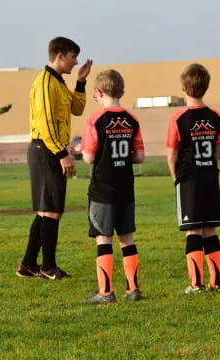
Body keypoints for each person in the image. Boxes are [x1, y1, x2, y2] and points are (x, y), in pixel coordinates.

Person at [16, 37, 92, 279]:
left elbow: (77, 109)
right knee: (51, 210)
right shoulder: (45, 83)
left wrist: (80, 82)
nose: (75, 61)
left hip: (49, 148)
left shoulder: (58, 82)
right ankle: (48, 267)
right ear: (59, 55)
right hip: (45, 149)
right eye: (72, 56)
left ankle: (28, 264)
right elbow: (46, 123)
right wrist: (62, 154)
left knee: (45, 210)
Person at [80, 69, 144, 303]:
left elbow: (87, 157)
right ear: (122, 92)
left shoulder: (95, 120)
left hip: (103, 189)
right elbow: (139, 157)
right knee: (127, 237)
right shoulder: (132, 119)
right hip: (126, 187)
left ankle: (105, 292)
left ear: (98, 92)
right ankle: (133, 289)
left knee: (103, 237)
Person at [166, 63, 220, 294]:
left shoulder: (178, 118)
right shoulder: (215, 116)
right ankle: (218, 282)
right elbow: (218, 151)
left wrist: (176, 180)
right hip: (209, 176)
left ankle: (196, 284)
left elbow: (171, 156)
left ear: (183, 87)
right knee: (209, 230)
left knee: (193, 231)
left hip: (188, 179)